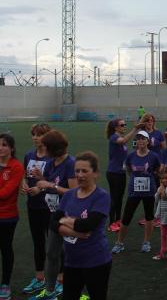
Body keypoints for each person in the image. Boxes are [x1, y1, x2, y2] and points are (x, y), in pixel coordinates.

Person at [51, 151, 112, 300]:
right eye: (77, 171)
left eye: (84, 171)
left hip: (96, 261)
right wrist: (76, 233)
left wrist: (65, 220)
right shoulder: (69, 195)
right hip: (72, 261)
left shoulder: (101, 196)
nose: (79, 175)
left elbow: (87, 225)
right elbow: (53, 223)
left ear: (95, 173)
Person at [31, 130, 77, 300]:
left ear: (53, 148)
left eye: (46, 146)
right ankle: (50, 291)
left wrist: (48, 184)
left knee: (71, 255)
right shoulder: (51, 163)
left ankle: (73, 291)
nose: (43, 148)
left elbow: (73, 192)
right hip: (55, 215)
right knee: (51, 253)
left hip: (69, 217)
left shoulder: (70, 164)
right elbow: (52, 182)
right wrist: (41, 178)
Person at [111, 130, 161, 254]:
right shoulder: (131, 156)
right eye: (138, 139)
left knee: (149, 217)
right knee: (126, 218)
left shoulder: (154, 156)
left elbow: (158, 170)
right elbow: (128, 168)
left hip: (149, 192)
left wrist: (149, 177)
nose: (140, 141)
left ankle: (146, 242)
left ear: (148, 141)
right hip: (134, 192)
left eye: (143, 139)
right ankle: (119, 243)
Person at [21, 123, 52, 295]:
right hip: (33, 206)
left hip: (49, 206)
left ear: (47, 136)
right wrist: (24, 185)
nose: (35, 137)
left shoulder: (53, 158)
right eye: (33, 134)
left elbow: (56, 181)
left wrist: (40, 188)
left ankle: (59, 279)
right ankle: (39, 278)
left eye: (39, 134)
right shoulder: (28, 155)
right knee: (38, 243)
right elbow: (25, 176)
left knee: (54, 245)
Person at [0, 133, 25, 300]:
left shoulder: (16, 167)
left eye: (4, 145)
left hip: (6, 216)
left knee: (5, 248)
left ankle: (5, 284)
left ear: (11, 148)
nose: (0, 148)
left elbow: (6, 193)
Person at [105, 119, 140, 233]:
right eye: (122, 125)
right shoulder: (114, 137)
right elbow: (123, 140)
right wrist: (135, 129)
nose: (124, 126)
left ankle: (118, 220)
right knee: (114, 198)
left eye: (125, 124)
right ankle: (111, 223)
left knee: (119, 198)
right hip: (113, 173)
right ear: (116, 128)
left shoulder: (119, 138)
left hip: (121, 172)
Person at [153, 170, 167, 262]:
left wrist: (165, 193)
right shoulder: (161, 188)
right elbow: (156, 201)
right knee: (163, 235)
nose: (164, 180)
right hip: (163, 215)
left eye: (166, 178)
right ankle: (163, 252)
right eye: (162, 178)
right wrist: (159, 192)